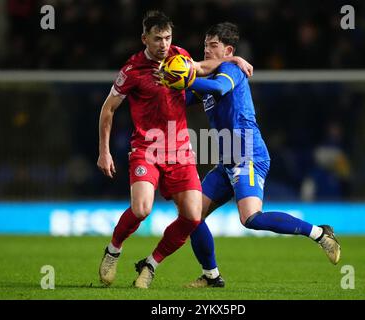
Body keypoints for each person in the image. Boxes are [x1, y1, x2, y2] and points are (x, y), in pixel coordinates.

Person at [97, 11, 252, 289]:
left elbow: (204, 68)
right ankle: (113, 249)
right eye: (157, 39)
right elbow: (108, 109)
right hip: (147, 147)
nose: (164, 44)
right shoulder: (131, 70)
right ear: (144, 38)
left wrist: (234, 60)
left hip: (180, 150)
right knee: (142, 209)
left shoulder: (179, 57)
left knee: (192, 216)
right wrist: (104, 151)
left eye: (168, 38)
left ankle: (151, 264)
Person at [185, 22, 341, 288]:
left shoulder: (230, 69)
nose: (207, 51)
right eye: (205, 46)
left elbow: (221, 88)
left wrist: (185, 78)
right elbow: (179, 100)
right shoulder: (210, 78)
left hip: (248, 155)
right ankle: (211, 276)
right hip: (227, 161)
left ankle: (320, 233)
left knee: (251, 219)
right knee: (190, 215)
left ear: (228, 50)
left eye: (213, 46)